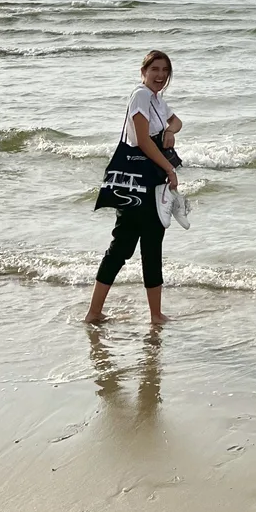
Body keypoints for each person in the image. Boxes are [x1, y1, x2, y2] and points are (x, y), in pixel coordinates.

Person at [85, 50, 182, 326]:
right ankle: (94, 313)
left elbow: (177, 121)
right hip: (139, 182)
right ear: (144, 71)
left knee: (149, 245)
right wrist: (169, 168)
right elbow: (142, 140)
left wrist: (170, 131)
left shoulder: (156, 100)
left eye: (165, 70)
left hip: (149, 182)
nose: (160, 75)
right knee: (123, 247)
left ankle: (155, 315)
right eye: (155, 69)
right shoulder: (140, 95)